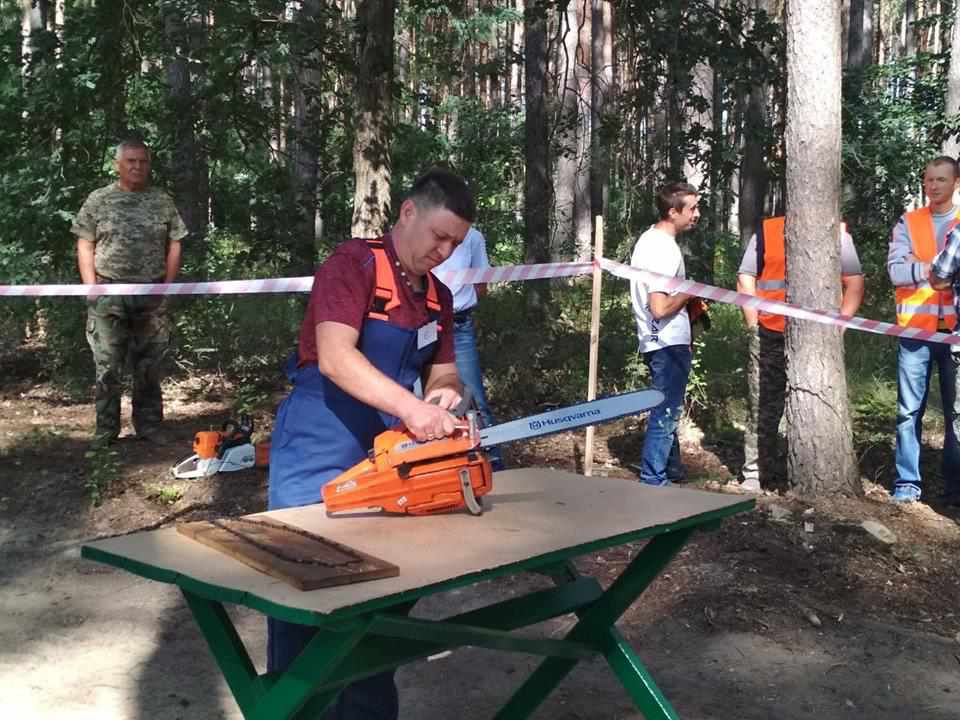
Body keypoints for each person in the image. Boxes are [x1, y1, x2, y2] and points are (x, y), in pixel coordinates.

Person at [267, 168, 473, 719]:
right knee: (302, 591)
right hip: (318, 441)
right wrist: (412, 408)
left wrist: (445, 396)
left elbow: (446, 373)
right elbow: (336, 357)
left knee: (382, 598)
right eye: (439, 235)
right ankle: (291, 707)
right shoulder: (353, 265)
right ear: (407, 212)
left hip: (384, 451)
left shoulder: (439, 298)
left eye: (455, 241)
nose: (445, 249)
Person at [72, 139, 188, 447]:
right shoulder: (99, 200)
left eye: (143, 162)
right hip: (109, 293)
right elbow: (84, 241)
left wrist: (167, 285)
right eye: (131, 161)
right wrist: (91, 287)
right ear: (118, 165)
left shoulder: (161, 200)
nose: (137, 167)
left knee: (149, 365)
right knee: (107, 366)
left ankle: (149, 426)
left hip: (151, 293)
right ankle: (106, 431)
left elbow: (176, 241)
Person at [736, 217, 864, 492]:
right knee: (762, 405)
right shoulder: (767, 230)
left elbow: (854, 283)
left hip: (815, 340)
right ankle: (755, 472)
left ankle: (812, 471)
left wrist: (838, 327)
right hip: (769, 332)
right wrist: (752, 324)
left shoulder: (837, 232)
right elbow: (745, 276)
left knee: (812, 405)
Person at [887, 156, 960, 504]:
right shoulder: (909, 221)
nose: (933, 186)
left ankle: (955, 488)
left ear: (955, 183)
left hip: (955, 334)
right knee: (908, 411)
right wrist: (939, 266)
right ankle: (907, 484)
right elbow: (896, 273)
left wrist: (917, 265)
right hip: (915, 330)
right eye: (929, 180)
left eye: (941, 180)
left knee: (956, 414)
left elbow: (909, 268)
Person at [629, 182, 701, 486]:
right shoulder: (662, 248)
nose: (697, 214)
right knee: (666, 411)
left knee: (668, 407)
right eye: (692, 208)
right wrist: (688, 293)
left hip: (661, 339)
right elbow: (659, 307)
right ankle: (653, 478)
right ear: (673, 212)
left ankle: (671, 471)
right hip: (666, 340)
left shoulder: (650, 240)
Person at [433, 226, 503, 470]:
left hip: (458, 324)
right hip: (423, 324)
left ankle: (494, 466)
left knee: (475, 401)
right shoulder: (420, 230)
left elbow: (481, 285)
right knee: (423, 403)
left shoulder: (473, 237)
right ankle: (435, 469)